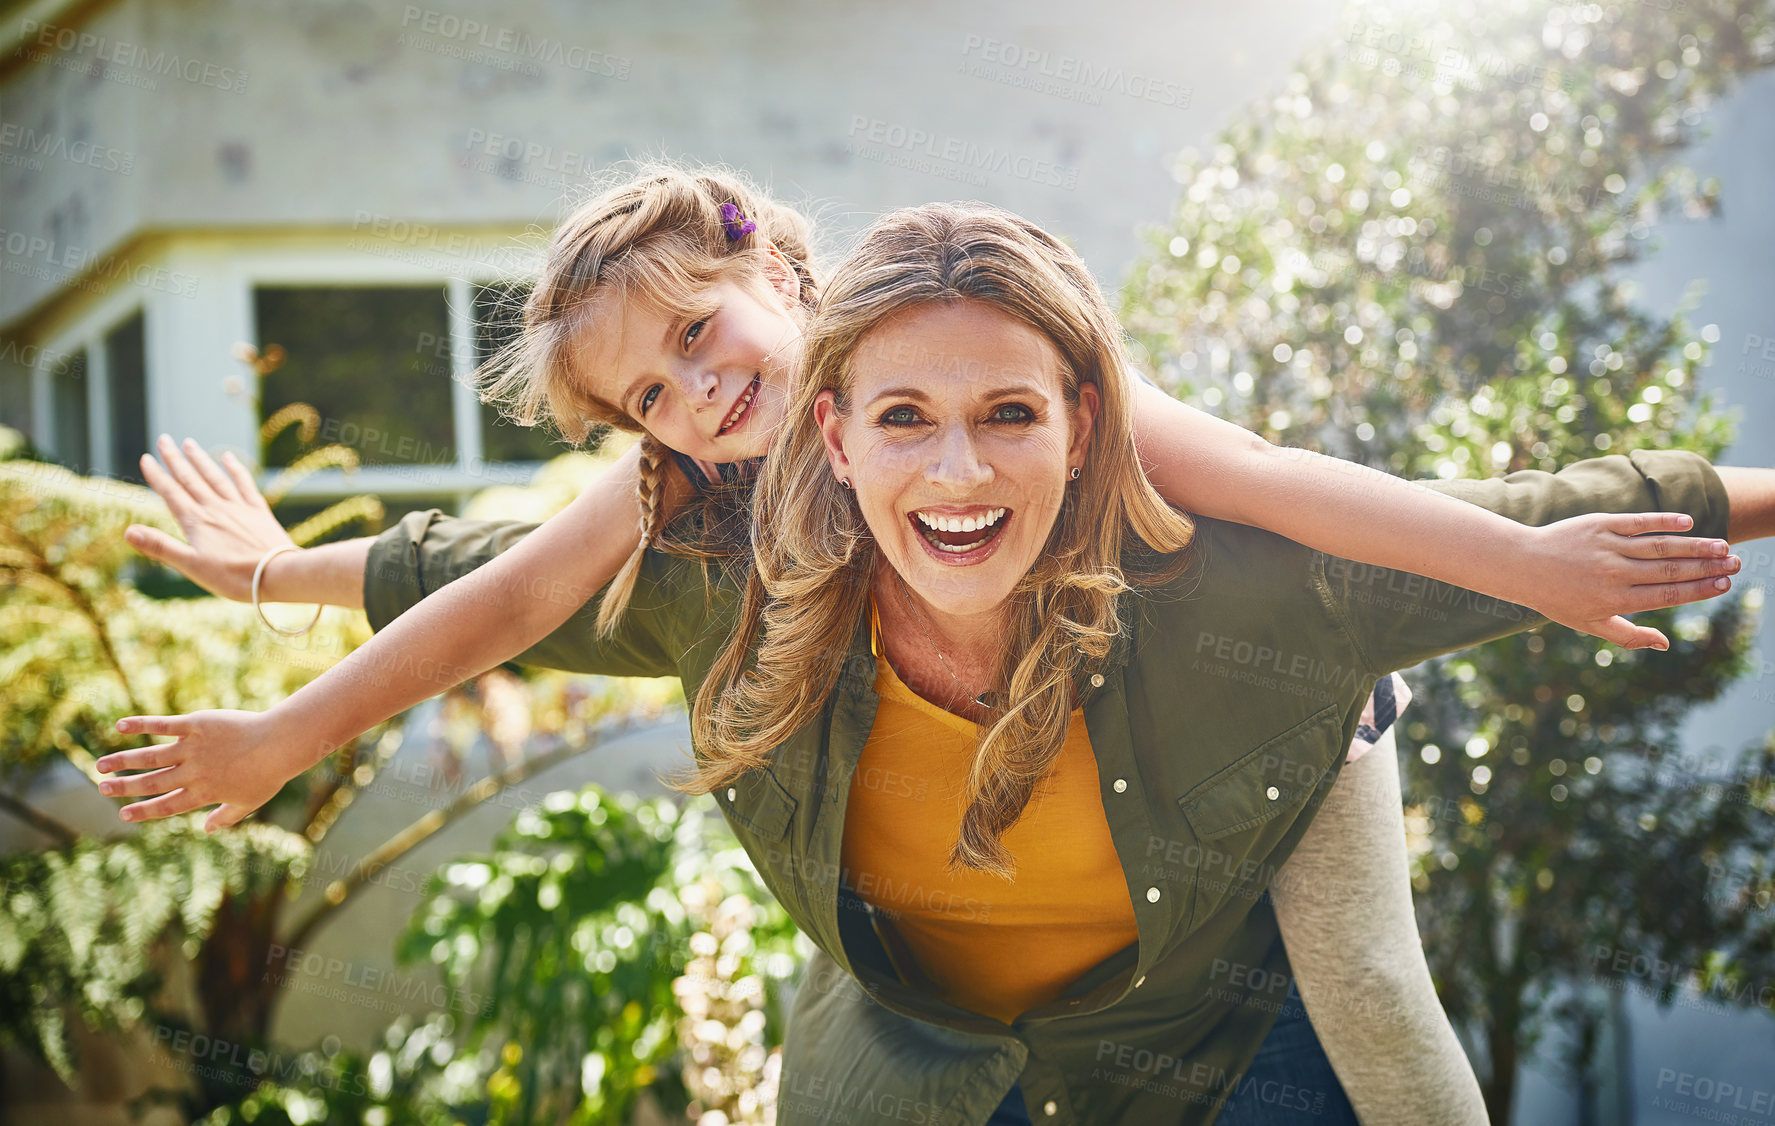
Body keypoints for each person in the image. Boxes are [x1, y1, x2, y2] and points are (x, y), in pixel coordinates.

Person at [102, 190, 1758, 1122]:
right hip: (963, 987)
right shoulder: (696, 503)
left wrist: (1526, 562)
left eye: (701, 337)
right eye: (651, 398)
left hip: (1265, 745)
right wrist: (274, 638)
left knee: (1360, 965)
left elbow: (1296, 491)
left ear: (781, 272)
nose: (693, 400)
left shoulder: (1003, 354)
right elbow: (487, 586)